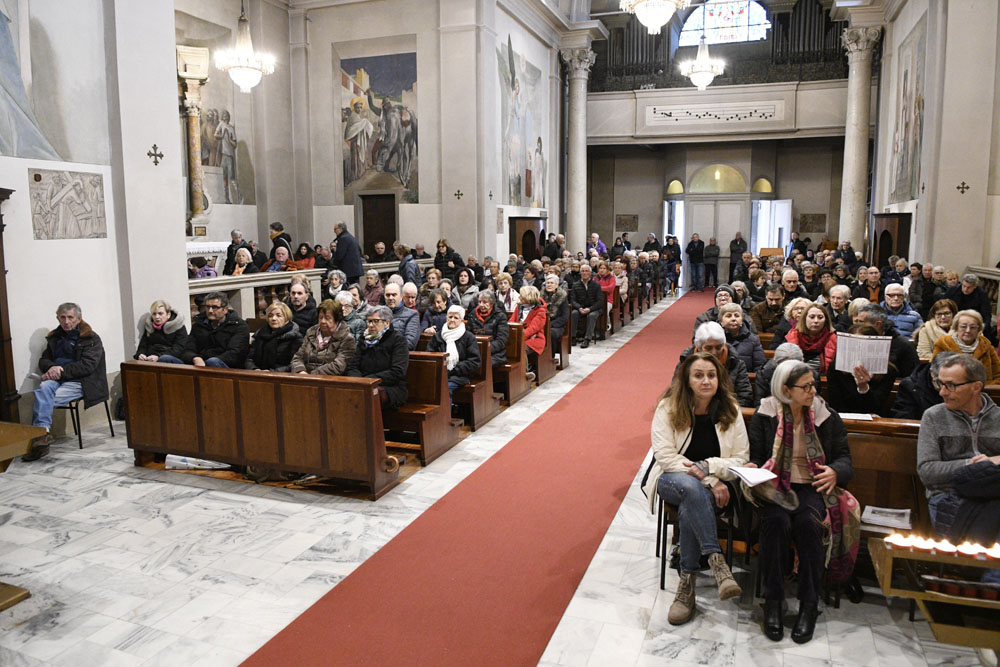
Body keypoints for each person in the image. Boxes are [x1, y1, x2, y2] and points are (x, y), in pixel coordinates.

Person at [749, 360, 855, 644]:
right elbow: (756, 456)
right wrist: (752, 467)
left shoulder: (824, 414)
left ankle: (809, 603)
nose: (812, 391)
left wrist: (835, 470)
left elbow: (845, 458)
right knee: (775, 522)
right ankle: (773, 600)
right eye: (805, 387)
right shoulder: (766, 412)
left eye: (814, 385)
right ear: (786, 389)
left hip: (811, 486)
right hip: (775, 486)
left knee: (810, 526)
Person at [642, 352, 746, 625]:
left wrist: (710, 467)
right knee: (690, 487)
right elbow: (665, 456)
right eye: (698, 375)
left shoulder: (730, 409)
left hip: (713, 485)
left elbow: (741, 457)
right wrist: (709, 479)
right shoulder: (668, 407)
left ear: (719, 379)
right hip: (672, 479)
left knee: (693, 500)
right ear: (687, 380)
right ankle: (716, 560)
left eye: (711, 375)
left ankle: (686, 583)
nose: (706, 381)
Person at [917, 355, 1000, 545]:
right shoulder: (934, 417)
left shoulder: (998, 418)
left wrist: (995, 460)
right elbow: (927, 472)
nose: (942, 392)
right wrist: (973, 467)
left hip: (994, 495)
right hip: (949, 495)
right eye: (940, 384)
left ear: (976, 387)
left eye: (951, 385)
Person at [25, 303, 109, 461]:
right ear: (57, 318)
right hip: (58, 379)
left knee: (43, 398)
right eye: (62, 317)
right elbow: (44, 360)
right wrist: (51, 367)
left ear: (78, 319)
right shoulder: (55, 338)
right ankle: (42, 434)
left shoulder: (91, 338)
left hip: (82, 382)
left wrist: (60, 371)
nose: (66, 321)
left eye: (70, 317)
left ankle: (38, 437)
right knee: (43, 388)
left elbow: (87, 366)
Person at [346, 305, 409, 410]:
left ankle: (370, 426)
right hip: (364, 384)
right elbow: (353, 366)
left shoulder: (398, 340)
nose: (371, 325)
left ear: (387, 323)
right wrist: (359, 381)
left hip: (391, 387)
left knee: (368, 396)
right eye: (369, 321)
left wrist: (369, 380)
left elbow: (397, 371)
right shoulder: (364, 338)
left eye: (375, 321)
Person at [677, 323, 754, 408]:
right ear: (699, 347)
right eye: (709, 348)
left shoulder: (736, 363)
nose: (714, 352)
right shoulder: (685, 363)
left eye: (718, 347)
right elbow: (677, 392)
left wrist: (729, 412)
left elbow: (744, 395)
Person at [427, 305, 481, 398]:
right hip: (440, 374)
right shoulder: (438, 336)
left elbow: (474, 361)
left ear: (461, 320)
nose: (452, 320)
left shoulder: (468, 337)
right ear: (446, 318)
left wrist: (454, 370)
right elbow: (429, 355)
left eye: (456, 318)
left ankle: (446, 412)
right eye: (450, 317)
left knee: (445, 388)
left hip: (459, 376)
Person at [931, 310, 1000, 382]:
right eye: (963, 326)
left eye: (973, 327)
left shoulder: (986, 345)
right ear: (956, 328)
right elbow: (935, 373)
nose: (968, 330)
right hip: (952, 390)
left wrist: (988, 388)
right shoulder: (943, 343)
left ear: (979, 329)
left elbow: (998, 373)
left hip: (984, 390)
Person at [892, 352, 954, 420]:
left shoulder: (964, 384)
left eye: (952, 385)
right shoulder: (910, 386)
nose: (943, 391)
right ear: (932, 373)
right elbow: (903, 420)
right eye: (940, 383)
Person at [245, 302, 303, 372]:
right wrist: (255, 369)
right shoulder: (260, 334)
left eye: (278, 316)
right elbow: (249, 359)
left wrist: (271, 372)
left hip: (281, 376)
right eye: (270, 316)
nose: (273, 318)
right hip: (257, 373)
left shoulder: (295, 337)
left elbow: (294, 364)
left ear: (287, 318)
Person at [784, 303, 837, 374]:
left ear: (826, 320)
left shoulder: (833, 339)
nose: (816, 321)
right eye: (812, 317)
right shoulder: (793, 335)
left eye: (820, 317)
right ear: (804, 319)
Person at [945, 275, 994, 341]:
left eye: (969, 287)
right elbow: (944, 306)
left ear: (975, 286)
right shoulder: (952, 290)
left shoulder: (982, 294)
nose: (965, 289)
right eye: (964, 286)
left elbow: (986, 314)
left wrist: (983, 328)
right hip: (954, 321)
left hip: (973, 322)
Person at [719, 303, 765, 373]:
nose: (733, 319)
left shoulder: (753, 340)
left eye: (737, 315)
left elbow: (759, 366)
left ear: (742, 320)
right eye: (729, 316)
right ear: (721, 321)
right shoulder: (716, 339)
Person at [468, 291, 509, 369]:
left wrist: (484, 349)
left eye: (485, 302)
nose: (481, 305)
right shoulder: (472, 315)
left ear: (491, 303)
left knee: (483, 362)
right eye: (479, 302)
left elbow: (501, 341)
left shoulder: (500, 316)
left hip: (495, 353)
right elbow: (468, 336)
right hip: (475, 351)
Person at [513, 285, 546, 381]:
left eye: (521, 296)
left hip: (536, 339)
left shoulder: (540, 311)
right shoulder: (519, 307)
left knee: (521, 348)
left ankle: (524, 374)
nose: (519, 297)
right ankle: (513, 374)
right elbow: (511, 322)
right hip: (520, 336)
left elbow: (533, 329)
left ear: (528, 297)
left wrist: (519, 337)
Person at [570, 264, 603, 348]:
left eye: (586, 271)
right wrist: (579, 307)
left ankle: (587, 339)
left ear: (590, 273)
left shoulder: (596, 285)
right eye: (583, 271)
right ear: (580, 273)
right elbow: (572, 300)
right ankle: (573, 337)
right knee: (574, 313)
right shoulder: (575, 285)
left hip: (593, 308)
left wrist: (590, 309)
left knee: (591, 315)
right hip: (580, 308)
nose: (584, 273)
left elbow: (600, 301)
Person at [383, 282, 420, 350]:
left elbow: (410, 343)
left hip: (399, 356)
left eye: (394, 295)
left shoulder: (412, 315)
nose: (390, 298)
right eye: (388, 295)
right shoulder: (378, 313)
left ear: (401, 296)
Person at [543, 273, 569, 344]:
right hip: (542, 324)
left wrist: (550, 324)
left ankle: (551, 354)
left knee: (551, 333)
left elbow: (565, 317)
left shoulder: (562, 297)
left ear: (556, 285)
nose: (549, 285)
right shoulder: (541, 296)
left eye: (551, 283)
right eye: (547, 283)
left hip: (557, 326)